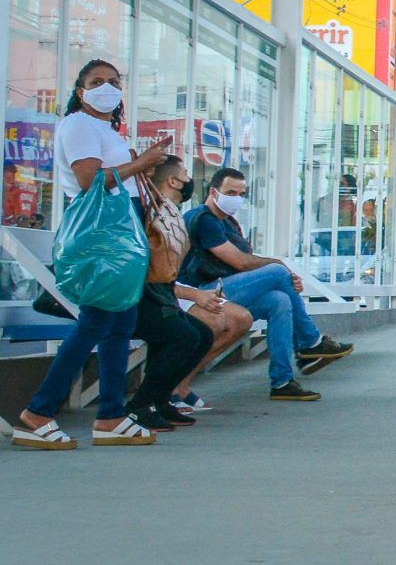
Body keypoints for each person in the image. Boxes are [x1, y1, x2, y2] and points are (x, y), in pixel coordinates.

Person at [12, 61, 169, 449]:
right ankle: (38, 413)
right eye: (96, 82)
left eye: (114, 82)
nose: (107, 88)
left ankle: (112, 414)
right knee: (97, 321)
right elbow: (90, 180)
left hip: (118, 230)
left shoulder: (102, 128)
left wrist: (137, 165)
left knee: (119, 323)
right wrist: (141, 163)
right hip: (103, 234)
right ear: (80, 91)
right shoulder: (79, 124)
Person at [182, 164, 347, 398]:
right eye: (230, 193)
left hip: (224, 290)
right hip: (201, 293)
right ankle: (310, 342)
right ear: (213, 192)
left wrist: (286, 280)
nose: (237, 199)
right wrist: (284, 270)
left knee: (279, 300)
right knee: (277, 272)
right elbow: (239, 262)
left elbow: (243, 264)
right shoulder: (204, 220)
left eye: (241, 194)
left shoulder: (226, 221)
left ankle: (282, 381)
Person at [131, 156, 254, 428]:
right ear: (173, 181)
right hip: (137, 299)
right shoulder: (148, 213)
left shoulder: (168, 212)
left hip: (159, 298)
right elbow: (149, 274)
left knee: (196, 334)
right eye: (186, 173)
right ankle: (140, 404)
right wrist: (195, 295)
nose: (189, 179)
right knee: (185, 336)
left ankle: (160, 400)